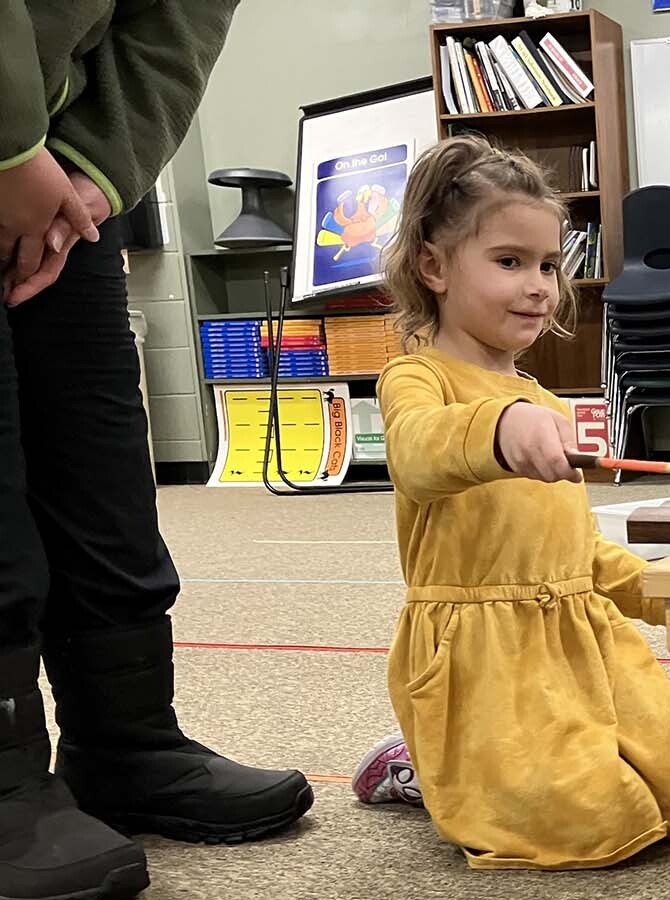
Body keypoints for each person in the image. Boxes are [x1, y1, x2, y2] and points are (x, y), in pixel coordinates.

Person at [0, 3, 312, 899]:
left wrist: (94, 172)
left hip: (55, 162)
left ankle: (126, 743)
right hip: (18, 144)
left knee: (99, 471)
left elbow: (181, 17)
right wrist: (10, 149)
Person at [351, 135, 670, 869]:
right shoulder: (416, 378)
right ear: (433, 266)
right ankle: (429, 765)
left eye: (549, 265)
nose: (539, 286)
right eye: (509, 262)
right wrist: (496, 428)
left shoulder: (538, 399)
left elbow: (577, 549)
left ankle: (462, 761)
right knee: (596, 824)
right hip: (484, 661)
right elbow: (417, 452)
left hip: (580, 643)